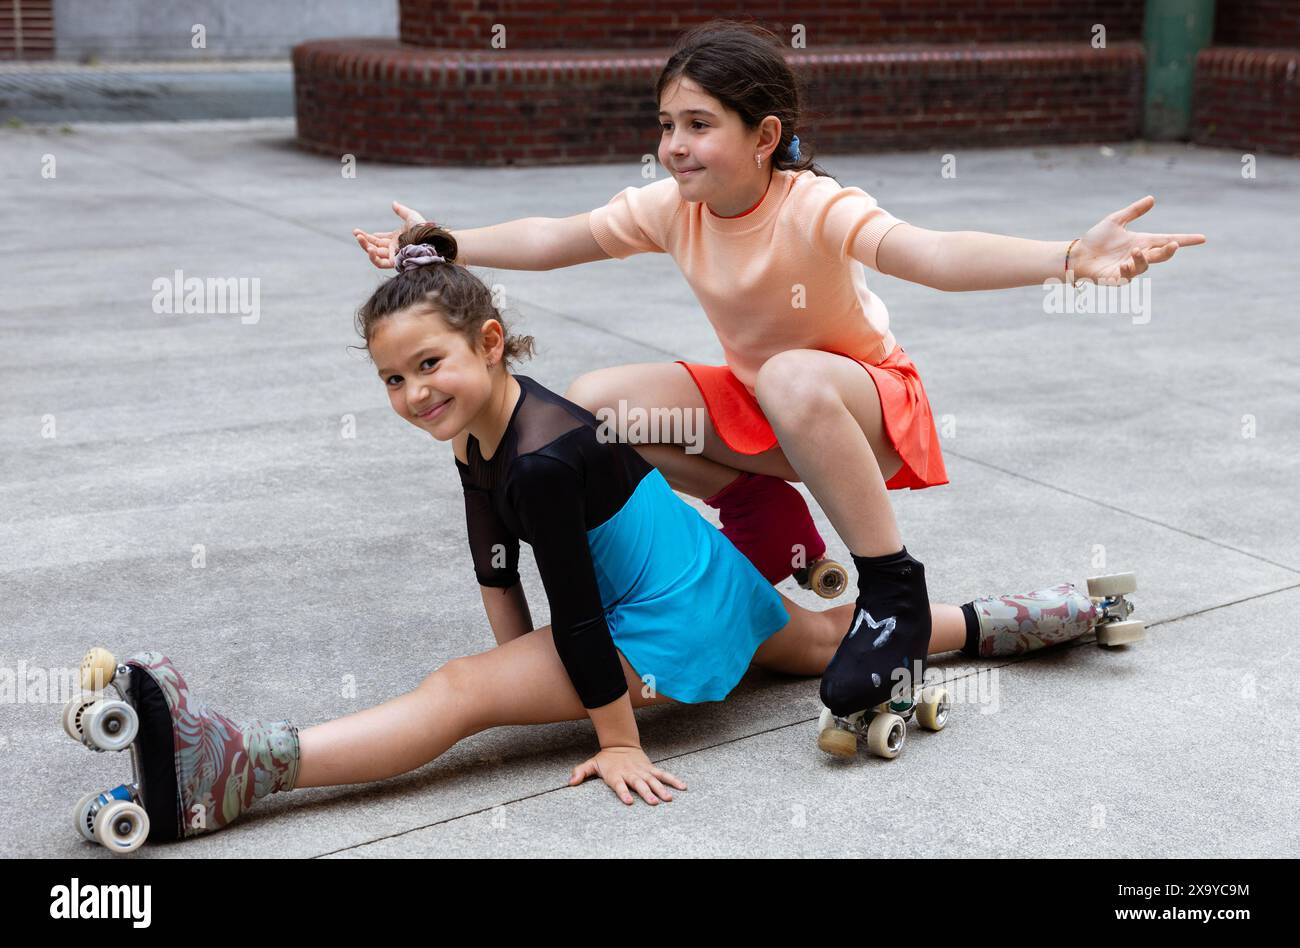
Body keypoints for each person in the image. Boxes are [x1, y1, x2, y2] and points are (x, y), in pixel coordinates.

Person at [86, 222, 1115, 850]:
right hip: (711, 578)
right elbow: (492, 560)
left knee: (454, 696)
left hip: (660, 618)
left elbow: (573, 609)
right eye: (391, 379)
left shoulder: (538, 455)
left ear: (490, 344)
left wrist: (609, 735)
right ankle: (1030, 618)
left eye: (430, 366)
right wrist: (517, 661)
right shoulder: (482, 427)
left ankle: (243, 768)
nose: (411, 395)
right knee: (830, 636)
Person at [353, 19, 1202, 725]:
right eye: (665, 125)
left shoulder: (816, 205)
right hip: (762, 407)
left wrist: (1066, 256)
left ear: (764, 138)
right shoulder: (673, 207)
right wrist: (451, 240)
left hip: (858, 409)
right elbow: (557, 237)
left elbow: (935, 255)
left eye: (697, 124)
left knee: (795, 374)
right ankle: (763, 510)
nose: (674, 147)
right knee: (595, 405)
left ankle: (893, 593)